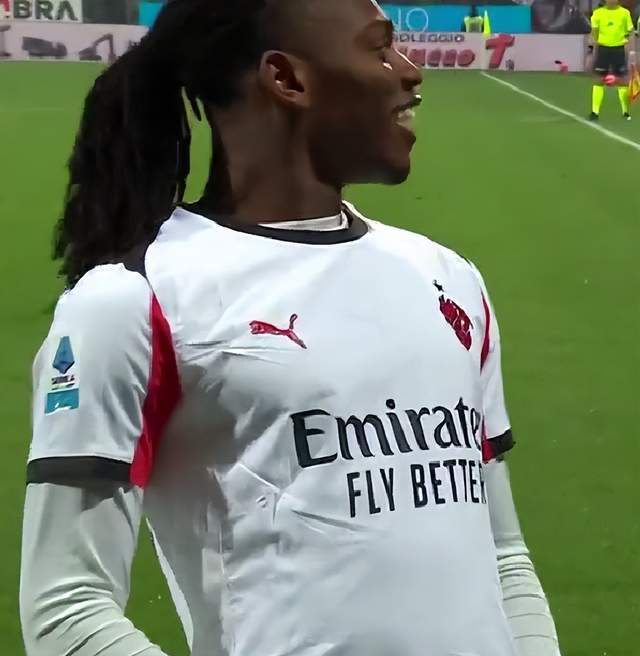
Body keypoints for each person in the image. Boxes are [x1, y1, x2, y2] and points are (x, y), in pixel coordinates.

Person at [20, 1, 562, 655]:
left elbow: (504, 557)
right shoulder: (135, 300)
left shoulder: (447, 279)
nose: (409, 71)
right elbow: (67, 606)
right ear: (287, 78)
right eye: (379, 48)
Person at [589, 0, 636, 120]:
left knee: (622, 81)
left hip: (619, 49)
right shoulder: (598, 13)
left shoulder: (624, 13)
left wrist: (631, 49)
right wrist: (594, 47)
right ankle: (595, 112)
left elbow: (630, 32)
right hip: (603, 49)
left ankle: (625, 112)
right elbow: (594, 32)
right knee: (599, 80)